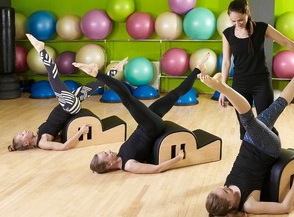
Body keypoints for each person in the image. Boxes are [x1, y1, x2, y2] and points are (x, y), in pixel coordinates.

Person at [198, 63, 294, 217]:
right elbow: (285, 208)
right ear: (230, 205)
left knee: (277, 106)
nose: (227, 187)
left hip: (250, 140)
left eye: (222, 187)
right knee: (248, 120)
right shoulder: (249, 204)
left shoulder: (226, 191)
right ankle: (222, 88)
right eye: (226, 191)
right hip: (268, 149)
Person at [72, 53, 209, 174]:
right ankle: (96, 73)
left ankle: (197, 69)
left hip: (146, 123)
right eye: (106, 154)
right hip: (151, 127)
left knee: (174, 95)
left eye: (105, 152)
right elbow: (157, 169)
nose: (108, 151)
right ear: (109, 164)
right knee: (128, 100)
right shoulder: (129, 165)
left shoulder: (120, 154)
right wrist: (178, 158)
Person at [220, 0, 294, 139]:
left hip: (261, 83)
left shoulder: (262, 28)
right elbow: (226, 62)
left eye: (240, 20)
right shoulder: (227, 34)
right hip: (240, 84)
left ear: (247, 14)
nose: (237, 24)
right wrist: (223, 89)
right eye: (233, 21)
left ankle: (272, 152)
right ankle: (249, 157)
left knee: (267, 122)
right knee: (244, 125)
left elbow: (285, 42)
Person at [8, 34, 107, 151]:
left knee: (91, 87)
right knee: (53, 78)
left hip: (67, 105)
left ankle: (114, 71)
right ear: (25, 143)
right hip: (68, 107)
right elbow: (64, 147)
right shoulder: (42, 142)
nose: (23, 131)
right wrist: (80, 132)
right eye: (22, 134)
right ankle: (41, 49)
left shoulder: (39, 134)